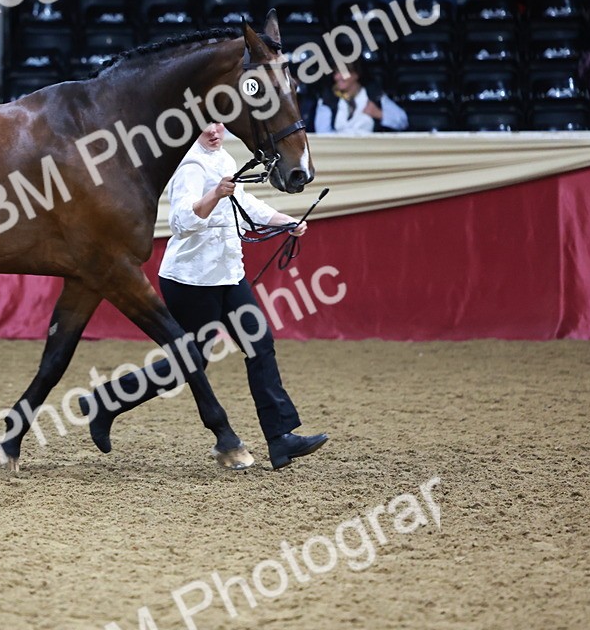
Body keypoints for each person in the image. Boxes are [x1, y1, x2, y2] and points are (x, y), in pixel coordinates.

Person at [79, 123, 329, 470]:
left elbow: (248, 204)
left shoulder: (224, 158)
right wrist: (214, 195)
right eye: (205, 125)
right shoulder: (190, 166)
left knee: (261, 345)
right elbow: (181, 221)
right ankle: (107, 400)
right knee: (189, 363)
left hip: (228, 276)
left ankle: (280, 439)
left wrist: (284, 221)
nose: (214, 131)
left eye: (219, 124)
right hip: (191, 281)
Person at [314, 61, 409, 134]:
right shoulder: (328, 99)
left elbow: (403, 122)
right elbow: (322, 133)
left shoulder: (373, 95)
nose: (338, 77)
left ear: (356, 75)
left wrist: (379, 114)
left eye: (343, 73)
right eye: (336, 73)